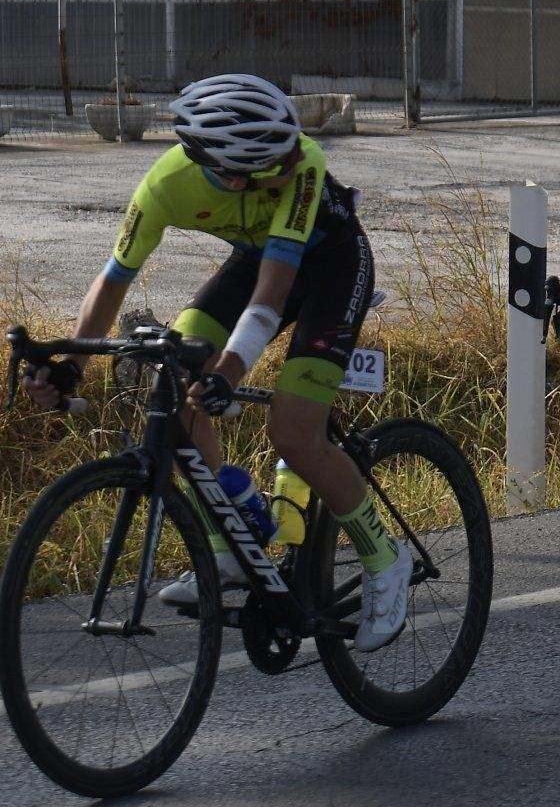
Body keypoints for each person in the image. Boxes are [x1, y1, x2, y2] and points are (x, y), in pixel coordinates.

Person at [23, 74, 407, 650]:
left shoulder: (302, 164)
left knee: (293, 432)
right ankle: (229, 550)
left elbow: (272, 297)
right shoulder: (165, 185)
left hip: (332, 271)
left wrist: (229, 372)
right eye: (269, 166)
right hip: (254, 264)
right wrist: (72, 360)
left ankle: (386, 559)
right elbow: (112, 281)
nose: (288, 163)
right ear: (229, 174)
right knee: (175, 389)